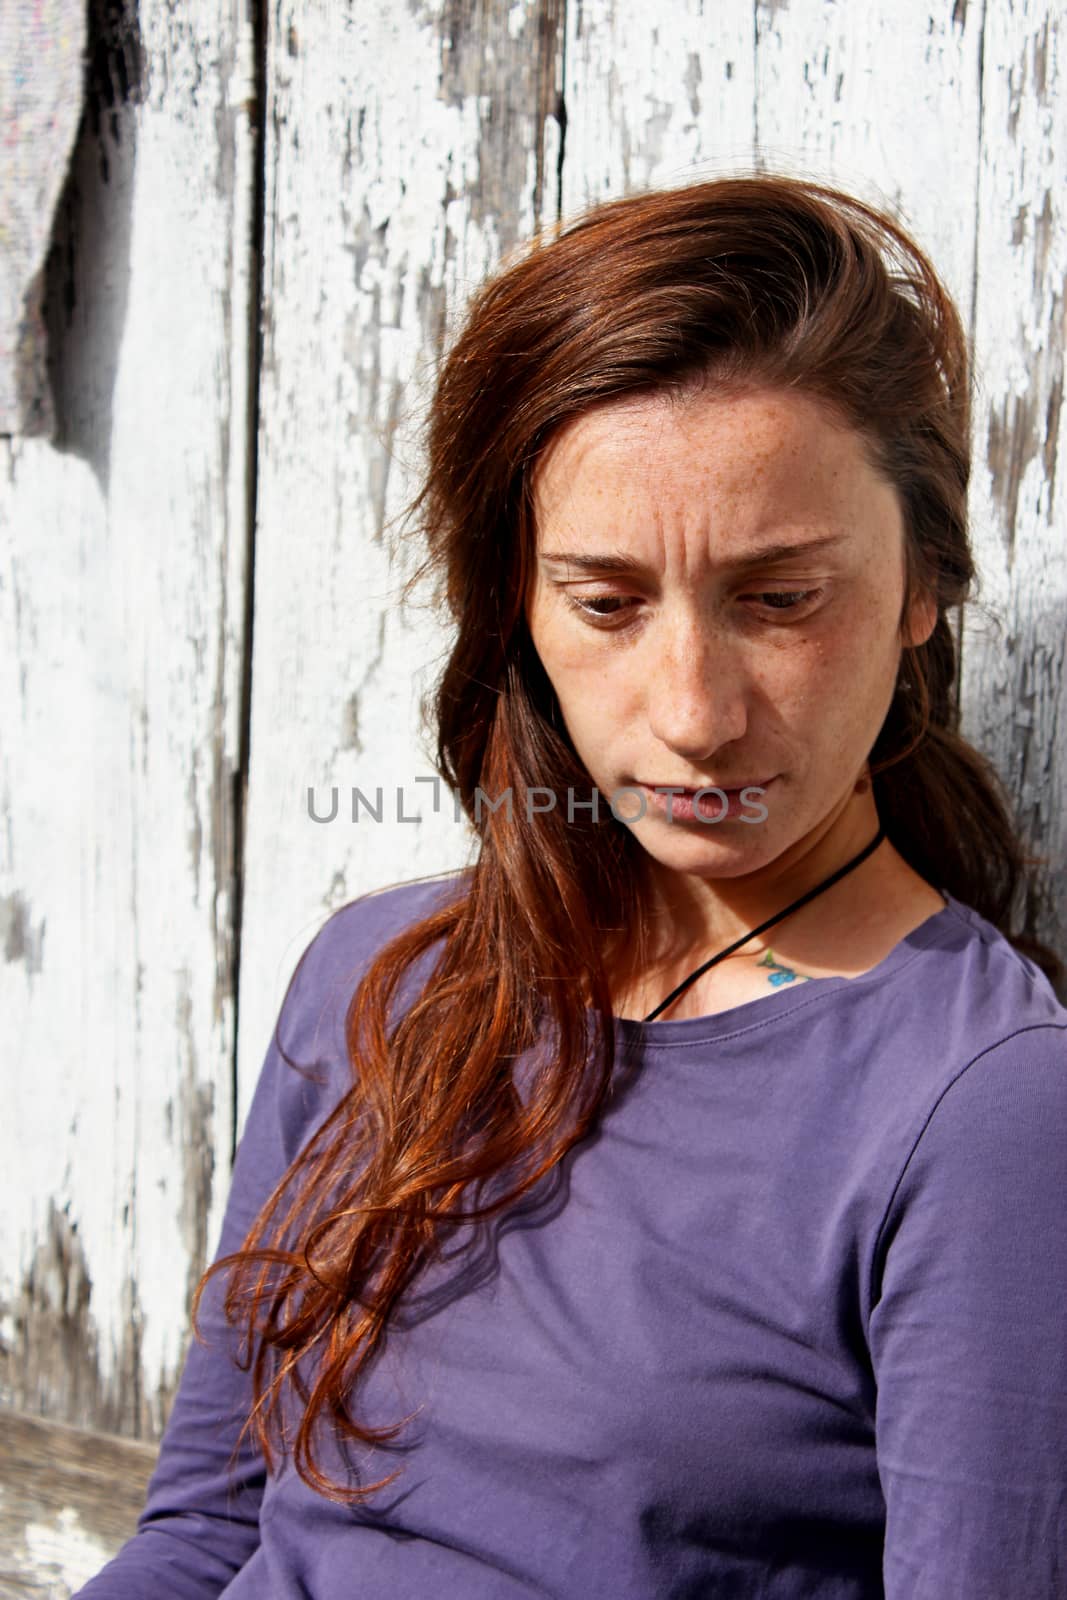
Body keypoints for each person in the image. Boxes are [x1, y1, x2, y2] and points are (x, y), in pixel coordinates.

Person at [77, 172, 1067, 1600]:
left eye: (782, 598)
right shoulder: (386, 976)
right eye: (606, 603)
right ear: (521, 610)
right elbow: (204, 1533)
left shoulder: (981, 1113)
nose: (694, 711)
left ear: (922, 586)